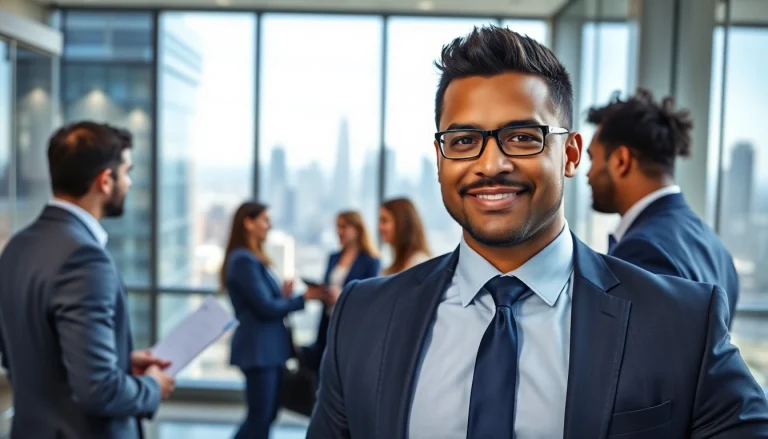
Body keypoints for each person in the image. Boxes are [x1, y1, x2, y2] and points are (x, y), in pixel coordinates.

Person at [306, 26, 768, 439]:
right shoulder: (364, 316)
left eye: (523, 137)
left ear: (569, 155)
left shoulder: (681, 320)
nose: (490, 164)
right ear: (440, 157)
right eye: (463, 140)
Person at [0, 122, 175, 439]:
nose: (130, 182)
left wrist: (119, 360)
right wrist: (151, 386)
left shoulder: (18, 246)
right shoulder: (84, 259)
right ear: (105, 181)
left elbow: (21, 354)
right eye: (126, 171)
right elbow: (99, 389)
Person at [586, 89, 740, 327]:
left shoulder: (642, 250)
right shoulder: (715, 247)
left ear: (621, 161)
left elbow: (632, 359)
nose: (588, 173)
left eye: (591, 159)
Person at [220, 201, 325, 439]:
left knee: (267, 415)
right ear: (248, 223)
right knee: (260, 416)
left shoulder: (252, 259)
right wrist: (303, 298)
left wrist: (283, 295)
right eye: (264, 220)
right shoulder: (243, 261)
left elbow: (264, 300)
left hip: (268, 349)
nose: (269, 225)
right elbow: (265, 308)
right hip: (259, 350)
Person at [308, 211, 380, 372]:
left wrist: (342, 296)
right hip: (328, 321)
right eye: (337, 227)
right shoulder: (333, 257)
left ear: (357, 229)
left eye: (343, 227)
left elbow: (371, 296)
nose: (338, 231)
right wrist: (322, 293)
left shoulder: (370, 261)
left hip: (351, 324)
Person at [378, 198, 431, 275]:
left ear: (402, 223)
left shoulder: (420, 263)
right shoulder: (391, 269)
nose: (379, 227)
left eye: (384, 221)